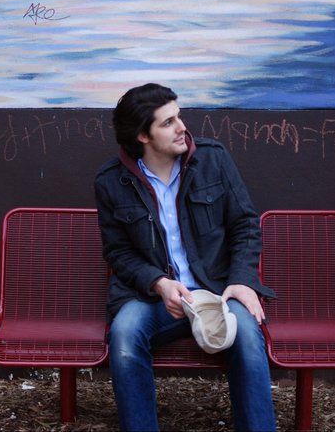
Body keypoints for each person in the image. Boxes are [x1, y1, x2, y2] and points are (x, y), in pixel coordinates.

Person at [93, 83, 277, 432]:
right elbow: (118, 251)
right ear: (143, 135)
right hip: (152, 298)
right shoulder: (111, 182)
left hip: (218, 290)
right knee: (125, 336)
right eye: (168, 122)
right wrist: (158, 283)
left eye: (179, 116)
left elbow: (245, 225)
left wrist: (242, 280)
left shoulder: (212, 159)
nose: (182, 128)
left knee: (248, 335)